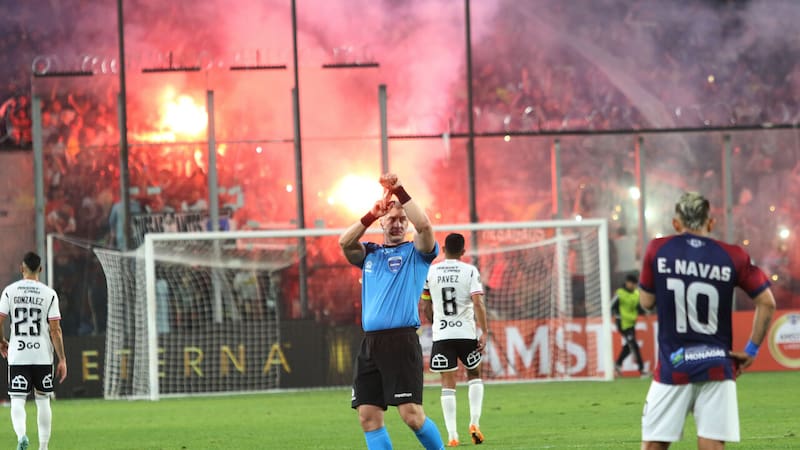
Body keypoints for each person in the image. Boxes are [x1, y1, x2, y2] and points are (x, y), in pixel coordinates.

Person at [639, 192, 776, 450]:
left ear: (676, 224)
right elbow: (767, 302)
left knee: (654, 445)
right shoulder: (733, 255)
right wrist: (751, 350)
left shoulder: (658, 249)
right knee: (712, 443)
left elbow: (646, 302)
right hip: (717, 365)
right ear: (711, 223)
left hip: (674, 364)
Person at [339, 173, 445, 450]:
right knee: (368, 416)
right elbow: (344, 243)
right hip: (371, 344)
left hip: (401, 341)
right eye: (392, 219)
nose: (397, 224)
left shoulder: (417, 253)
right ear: (382, 223)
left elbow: (425, 226)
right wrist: (370, 215)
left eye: (402, 220)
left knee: (411, 415)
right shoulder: (369, 254)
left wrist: (400, 191)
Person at [421, 233, 488, 447]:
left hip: (443, 336)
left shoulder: (430, 272)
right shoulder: (470, 271)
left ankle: (452, 435)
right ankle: (474, 422)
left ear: (443, 249)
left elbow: (426, 305)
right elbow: (478, 303)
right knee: (474, 375)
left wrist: (437, 323)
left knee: (447, 384)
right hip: (466, 334)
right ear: (463, 251)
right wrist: (484, 331)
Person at [0, 252, 67, 450]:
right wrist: (62, 359)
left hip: (18, 354)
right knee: (43, 400)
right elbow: (55, 330)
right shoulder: (49, 294)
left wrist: (1, 341)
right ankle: (43, 447)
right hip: (42, 356)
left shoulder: (9, 291)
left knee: (17, 400)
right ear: (41, 269)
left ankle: (21, 436)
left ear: (21, 269)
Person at [611, 273, 648, 377]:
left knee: (629, 346)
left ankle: (617, 364)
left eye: (634, 283)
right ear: (627, 283)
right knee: (634, 345)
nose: (632, 285)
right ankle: (642, 370)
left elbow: (639, 307)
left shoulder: (636, 294)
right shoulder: (620, 293)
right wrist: (617, 316)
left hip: (631, 324)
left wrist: (644, 312)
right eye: (631, 283)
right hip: (622, 324)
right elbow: (611, 306)